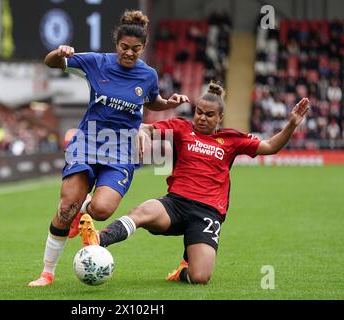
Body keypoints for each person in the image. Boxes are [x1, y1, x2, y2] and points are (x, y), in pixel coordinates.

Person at [79, 82, 310, 285]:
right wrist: (142, 132)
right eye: (199, 112)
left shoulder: (232, 139)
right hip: (175, 205)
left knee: (200, 278)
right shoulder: (182, 129)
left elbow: (270, 146)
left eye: (209, 115)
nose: (201, 117)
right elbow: (148, 127)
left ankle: (182, 271)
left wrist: (291, 124)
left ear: (219, 118)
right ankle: (99, 239)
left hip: (207, 213)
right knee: (142, 210)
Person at [28, 10, 189, 287]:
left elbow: (151, 101)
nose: (129, 53)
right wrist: (59, 52)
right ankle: (47, 273)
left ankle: (84, 209)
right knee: (66, 207)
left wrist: (168, 104)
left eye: (135, 49)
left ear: (143, 47)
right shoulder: (96, 62)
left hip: (122, 150)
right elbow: (51, 62)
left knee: (101, 210)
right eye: (124, 48)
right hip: (88, 141)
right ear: (116, 44)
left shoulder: (148, 74)